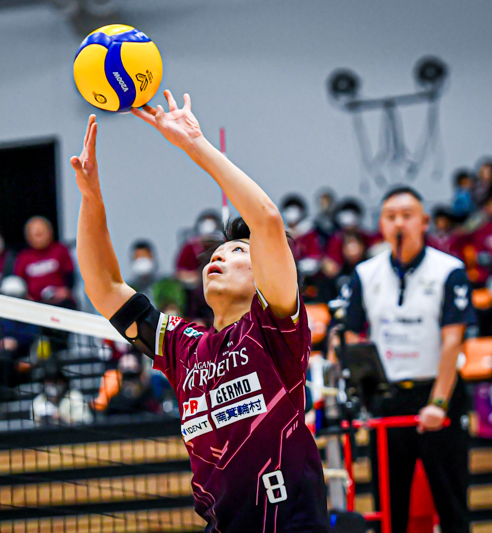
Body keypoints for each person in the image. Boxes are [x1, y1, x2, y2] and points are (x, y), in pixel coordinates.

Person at [72, 92, 329, 533]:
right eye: (217, 253)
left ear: (268, 270)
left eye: (238, 251)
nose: (220, 256)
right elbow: (106, 288)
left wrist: (194, 144)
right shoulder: (183, 346)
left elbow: (267, 220)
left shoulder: (274, 327)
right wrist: (91, 199)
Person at [342, 186, 475, 533]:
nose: (399, 223)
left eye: (407, 215)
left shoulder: (449, 270)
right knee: (390, 511)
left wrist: (439, 403)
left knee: (452, 505)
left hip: (438, 394)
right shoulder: (365, 273)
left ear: (424, 222)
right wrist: (364, 395)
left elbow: (453, 340)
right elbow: (350, 337)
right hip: (388, 399)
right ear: (381, 225)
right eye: (390, 217)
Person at [15, 216, 76, 308]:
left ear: (50, 232)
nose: (40, 238)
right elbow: (19, 283)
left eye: (42, 233)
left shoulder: (60, 250)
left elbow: (70, 276)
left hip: (60, 302)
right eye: (36, 234)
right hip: (35, 304)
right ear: (28, 237)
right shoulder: (23, 257)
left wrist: (65, 290)